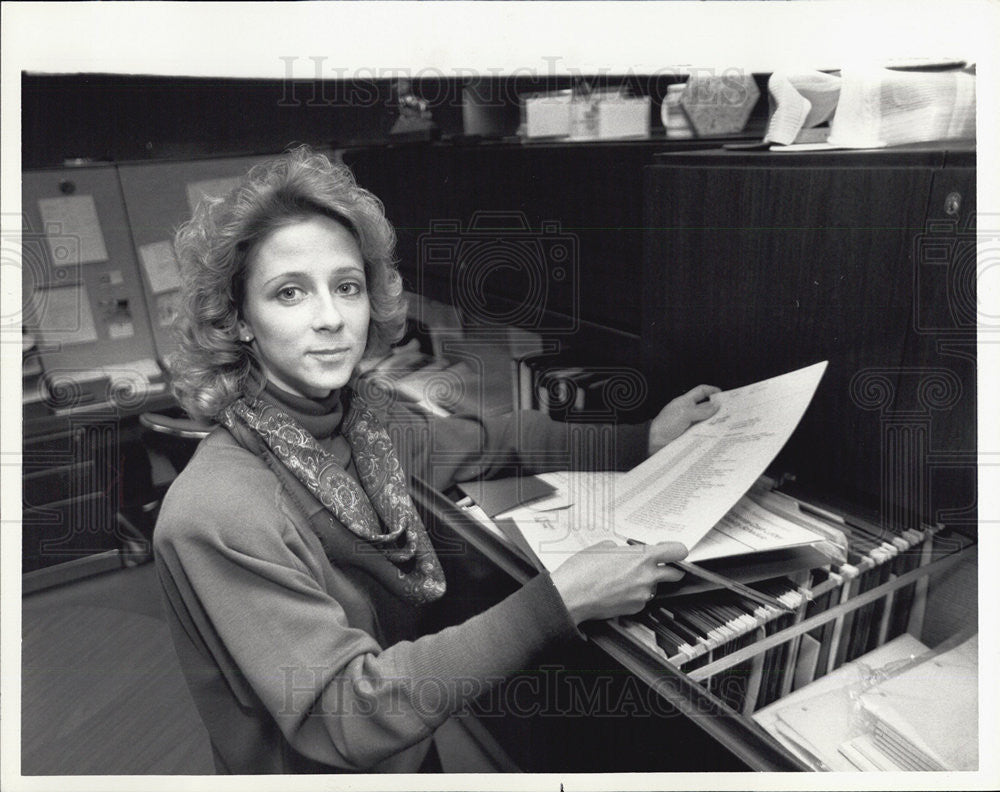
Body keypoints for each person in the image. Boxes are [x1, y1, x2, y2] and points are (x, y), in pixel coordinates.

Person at [153, 146, 720, 774]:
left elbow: (503, 438)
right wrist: (560, 600)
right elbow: (346, 712)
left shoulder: (367, 430)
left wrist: (645, 439)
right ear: (238, 321)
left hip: (409, 755)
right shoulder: (216, 510)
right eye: (290, 293)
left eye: (347, 286)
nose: (332, 318)